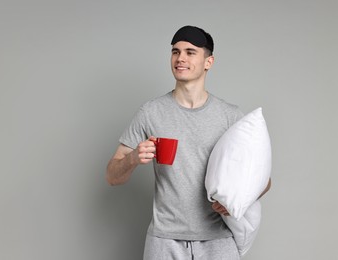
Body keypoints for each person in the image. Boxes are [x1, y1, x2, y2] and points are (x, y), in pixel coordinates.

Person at [106, 25, 271, 260]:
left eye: (190, 52)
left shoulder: (230, 116)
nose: (180, 58)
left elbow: (263, 179)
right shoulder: (151, 112)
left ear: (208, 62)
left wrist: (238, 200)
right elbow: (112, 176)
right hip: (164, 240)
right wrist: (133, 158)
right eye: (175, 51)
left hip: (218, 240)